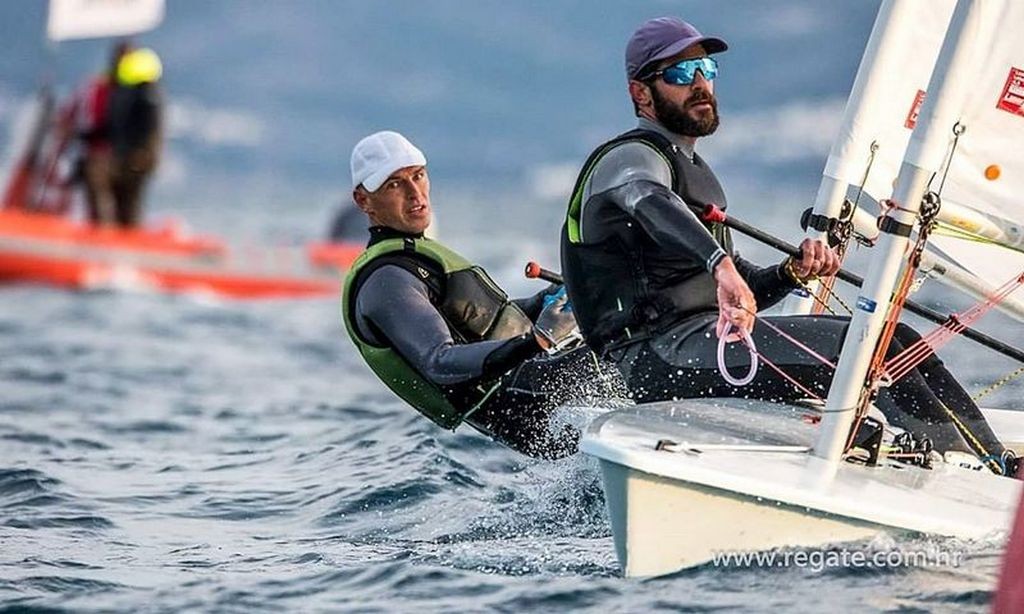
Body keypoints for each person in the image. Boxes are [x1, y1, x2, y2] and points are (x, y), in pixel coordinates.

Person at [559, 17, 1015, 474]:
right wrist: (720, 265)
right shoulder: (627, 159)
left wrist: (789, 273)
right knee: (867, 348)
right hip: (659, 355)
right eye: (680, 74)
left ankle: (998, 462)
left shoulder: (693, 169)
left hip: (705, 341)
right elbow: (649, 200)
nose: (699, 84)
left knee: (899, 339)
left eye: (706, 70)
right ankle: (967, 471)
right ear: (641, 94)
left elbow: (743, 283)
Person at [342, 131, 621, 460]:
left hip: (539, 376)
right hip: (526, 399)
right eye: (394, 185)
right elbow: (439, 361)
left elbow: (484, 326)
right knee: (645, 342)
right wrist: (539, 339)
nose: (415, 194)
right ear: (363, 200)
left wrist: (544, 302)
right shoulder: (386, 281)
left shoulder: (412, 258)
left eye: (418, 176)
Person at [62, 41, 133, 224]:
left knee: (119, 205)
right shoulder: (101, 86)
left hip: (119, 155)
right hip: (100, 151)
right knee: (99, 202)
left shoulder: (131, 90)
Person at [108, 47, 164, 228]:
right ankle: (125, 233)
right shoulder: (139, 93)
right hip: (131, 156)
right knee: (124, 201)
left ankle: (129, 235)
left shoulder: (146, 94)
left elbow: (149, 128)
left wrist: (141, 153)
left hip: (138, 158)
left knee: (130, 202)